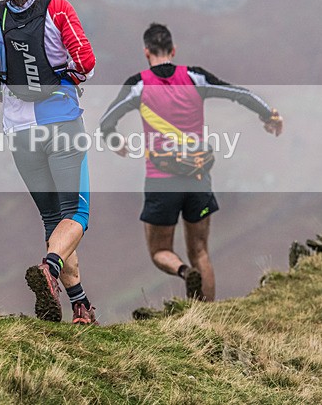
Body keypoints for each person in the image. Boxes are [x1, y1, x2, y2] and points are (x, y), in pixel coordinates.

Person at [99, 23, 283, 302]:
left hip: (161, 180)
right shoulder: (195, 77)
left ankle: (184, 273)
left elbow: (105, 123)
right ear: (173, 50)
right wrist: (268, 115)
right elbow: (240, 94)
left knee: (159, 251)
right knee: (200, 250)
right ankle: (208, 318)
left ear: (146, 53)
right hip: (198, 177)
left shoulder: (138, 85)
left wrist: (117, 143)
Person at [0, 0, 98, 324]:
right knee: (77, 213)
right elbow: (86, 63)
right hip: (61, 123)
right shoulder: (57, 10)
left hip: (20, 131)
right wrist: (70, 79)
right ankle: (50, 268)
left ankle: (79, 305)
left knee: (52, 218)